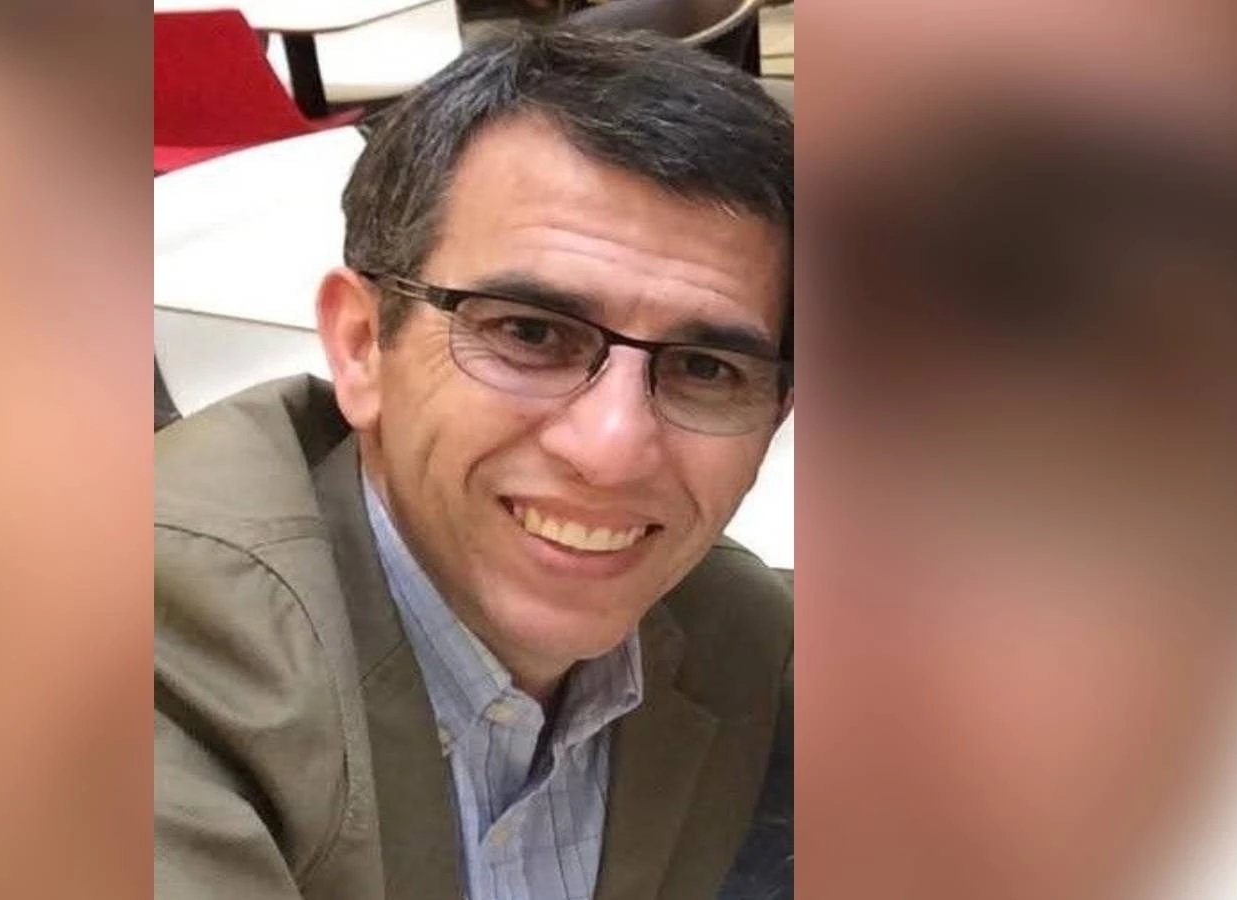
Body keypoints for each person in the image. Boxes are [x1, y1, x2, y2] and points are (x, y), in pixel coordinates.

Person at [155, 26, 794, 900]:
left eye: (705, 369)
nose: (611, 451)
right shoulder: (129, 645)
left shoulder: (737, 641)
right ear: (361, 347)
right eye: (529, 333)